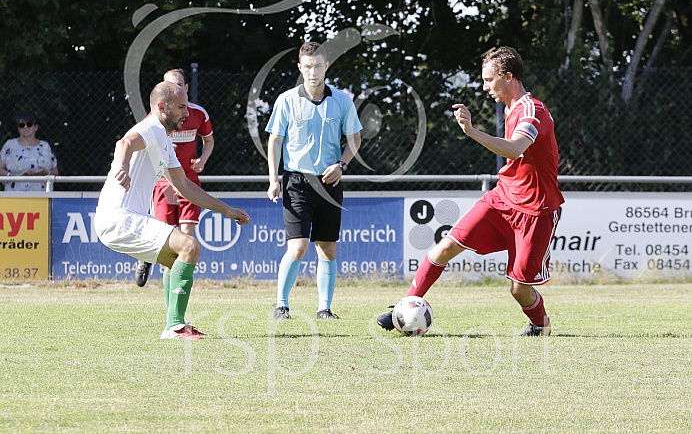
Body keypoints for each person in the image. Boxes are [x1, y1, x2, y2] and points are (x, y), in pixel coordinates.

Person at [378, 46, 564, 336]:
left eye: (489, 79)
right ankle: (405, 306)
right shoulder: (510, 108)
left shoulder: (532, 109)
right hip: (503, 198)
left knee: (519, 290)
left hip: (535, 210)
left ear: (509, 77)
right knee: (446, 246)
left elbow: (515, 149)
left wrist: (472, 132)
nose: (485, 86)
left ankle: (540, 324)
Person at [94, 81, 250, 340]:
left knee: (176, 260)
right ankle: (175, 327)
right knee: (189, 246)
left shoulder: (165, 141)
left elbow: (185, 187)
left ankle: (174, 324)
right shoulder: (152, 127)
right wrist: (121, 167)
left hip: (123, 219)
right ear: (162, 107)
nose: (187, 113)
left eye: (187, 106)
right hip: (120, 217)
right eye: (180, 107)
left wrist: (227, 210)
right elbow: (124, 143)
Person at [266, 41, 363, 320]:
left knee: (327, 247)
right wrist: (274, 179)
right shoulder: (286, 100)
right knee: (297, 246)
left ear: (326, 67)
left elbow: (355, 138)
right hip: (296, 182)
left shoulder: (342, 101)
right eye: (307, 66)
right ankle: (281, 305)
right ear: (300, 67)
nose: (313, 72)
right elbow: (275, 140)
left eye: (318, 66)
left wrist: (342, 164)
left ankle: (324, 309)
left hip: (329, 183)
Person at [135, 68, 215, 287]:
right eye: (170, 86)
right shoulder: (155, 117)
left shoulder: (198, 114)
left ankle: (178, 289)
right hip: (163, 181)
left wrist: (202, 160)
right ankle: (150, 260)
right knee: (167, 238)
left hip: (188, 179)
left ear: (186, 88)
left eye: (179, 85)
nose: (175, 89)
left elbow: (209, 141)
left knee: (186, 236)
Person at [0, 112, 58, 191]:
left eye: (29, 124)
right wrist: (17, 175)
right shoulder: (9, 145)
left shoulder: (45, 146)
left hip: (41, 196)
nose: (25, 127)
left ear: (36, 127)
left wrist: (46, 172)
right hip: (14, 194)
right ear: (18, 128)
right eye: (21, 125)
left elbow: (55, 171)